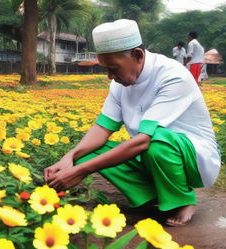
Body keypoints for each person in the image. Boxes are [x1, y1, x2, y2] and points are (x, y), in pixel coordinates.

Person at [44, 19, 221, 226]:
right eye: (106, 69)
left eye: (114, 68)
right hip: (150, 153)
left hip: (194, 158)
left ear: (137, 55)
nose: (110, 76)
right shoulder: (120, 84)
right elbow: (102, 128)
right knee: (87, 154)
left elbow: (142, 141)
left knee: (156, 141)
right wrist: (70, 157)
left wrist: (82, 171)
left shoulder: (173, 76)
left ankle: (183, 199)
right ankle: (152, 196)